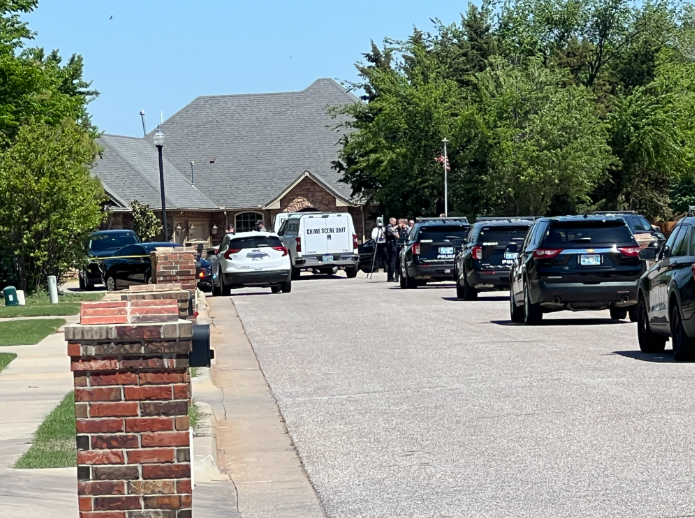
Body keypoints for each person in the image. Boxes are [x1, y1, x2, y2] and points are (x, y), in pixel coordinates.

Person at [385, 217, 399, 282]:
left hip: (390, 245)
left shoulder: (389, 228)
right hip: (392, 246)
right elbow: (396, 235)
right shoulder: (389, 227)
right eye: (394, 221)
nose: (395, 223)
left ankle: (391, 276)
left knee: (391, 261)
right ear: (391, 221)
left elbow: (383, 234)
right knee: (392, 262)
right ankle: (390, 277)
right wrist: (397, 227)